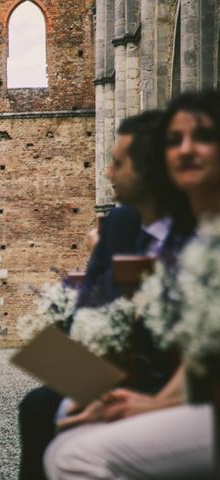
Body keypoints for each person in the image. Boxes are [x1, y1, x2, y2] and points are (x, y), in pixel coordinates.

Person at [43, 90, 220, 479]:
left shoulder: (193, 236)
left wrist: (151, 402)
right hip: (146, 372)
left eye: (203, 137)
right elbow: (92, 301)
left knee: (69, 452)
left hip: (167, 377)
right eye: (174, 141)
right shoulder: (132, 225)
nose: (107, 173)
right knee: (50, 412)